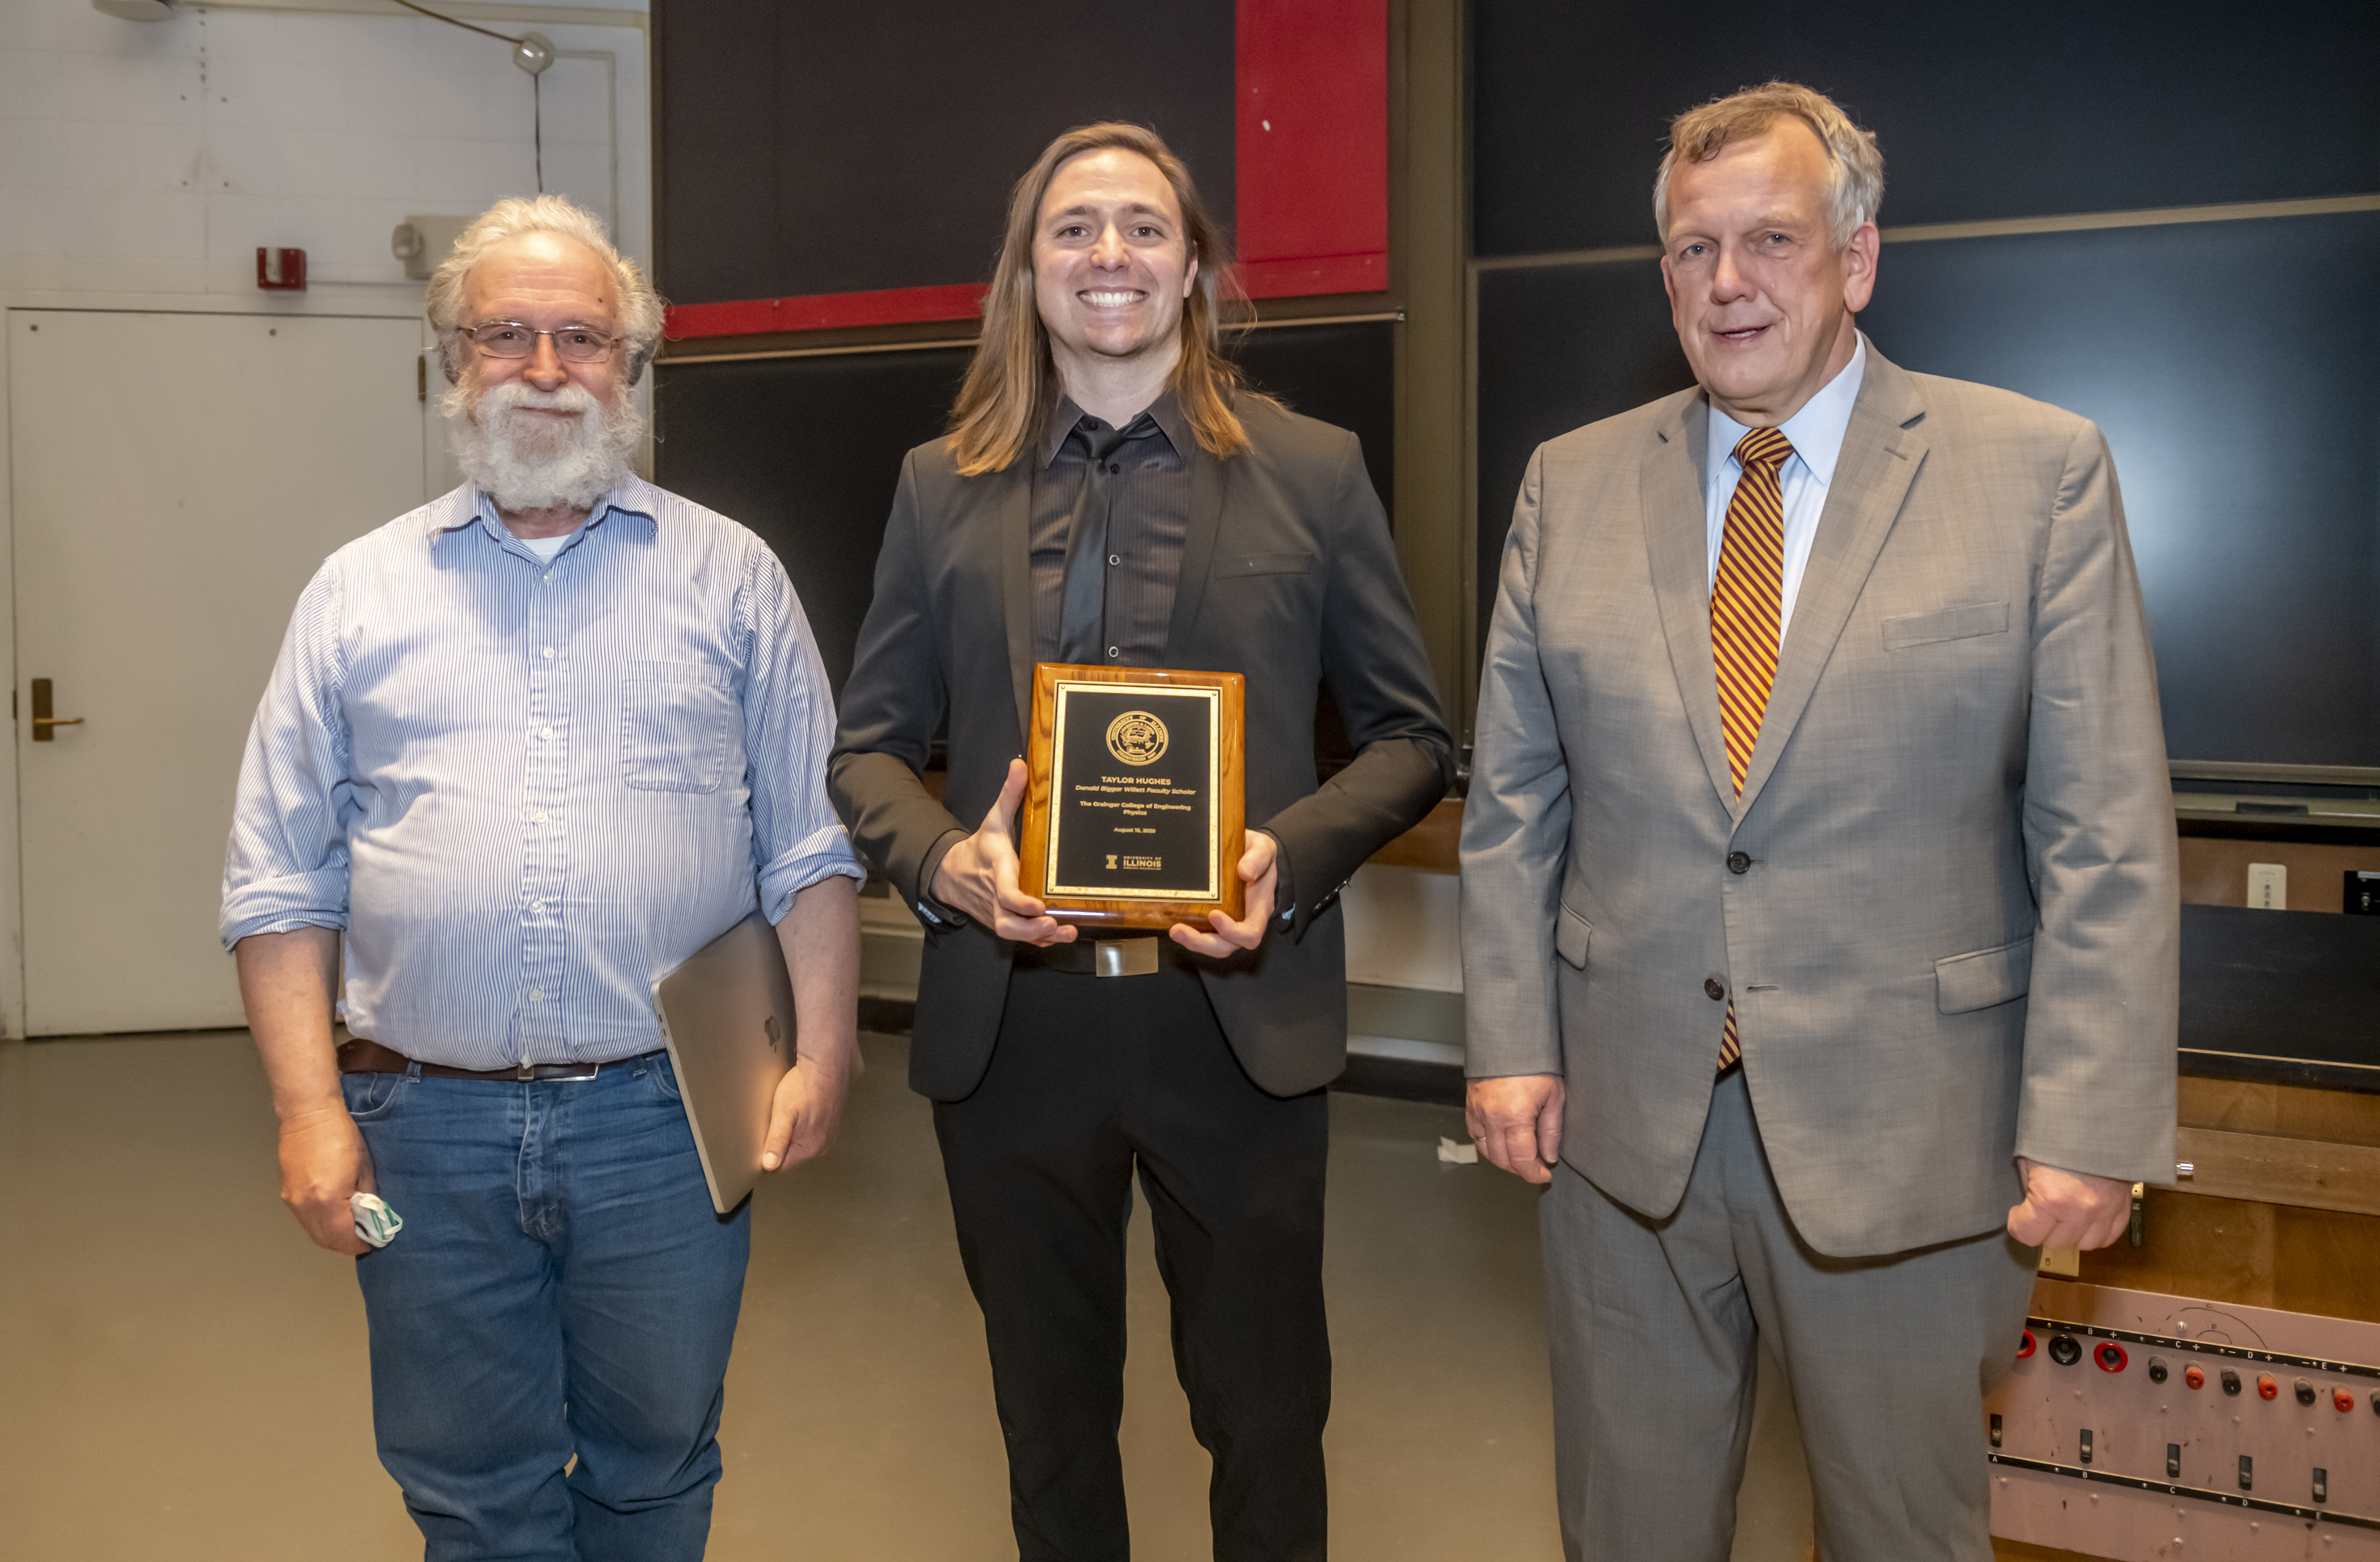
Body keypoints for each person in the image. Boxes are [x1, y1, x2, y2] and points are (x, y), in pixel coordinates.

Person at [1460, 83, 2178, 1561]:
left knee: (1901, 1538)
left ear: (1857, 259)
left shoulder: (2035, 473)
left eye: (1772, 240)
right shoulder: (1569, 483)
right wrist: (1513, 1039)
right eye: (1691, 249)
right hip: (1625, 1137)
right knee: (1627, 1533)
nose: (1729, 283)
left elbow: (2103, 830)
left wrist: (2092, 1124)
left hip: (1915, 1141)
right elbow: (1516, 802)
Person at [829, 122, 1453, 1560]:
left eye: (1142, 227)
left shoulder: (1315, 469)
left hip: (1232, 1023)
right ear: (1029, 271)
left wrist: (1281, 861)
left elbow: (1416, 736)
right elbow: (867, 746)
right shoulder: (942, 484)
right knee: (1047, 1429)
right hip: (1013, 1036)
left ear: (1193, 269)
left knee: (1266, 1420)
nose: (1108, 254)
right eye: (1074, 229)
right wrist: (940, 863)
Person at [221, 194, 863, 1561]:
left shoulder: (733, 580)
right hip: (422, 1123)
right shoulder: (356, 593)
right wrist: (306, 1114)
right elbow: (281, 879)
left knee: (655, 1468)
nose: (547, 366)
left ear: (631, 371)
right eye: (507, 333)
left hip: (666, 1118)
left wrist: (828, 1051)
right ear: (452, 361)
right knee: (471, 1490)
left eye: (584, 336)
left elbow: (808, 848)